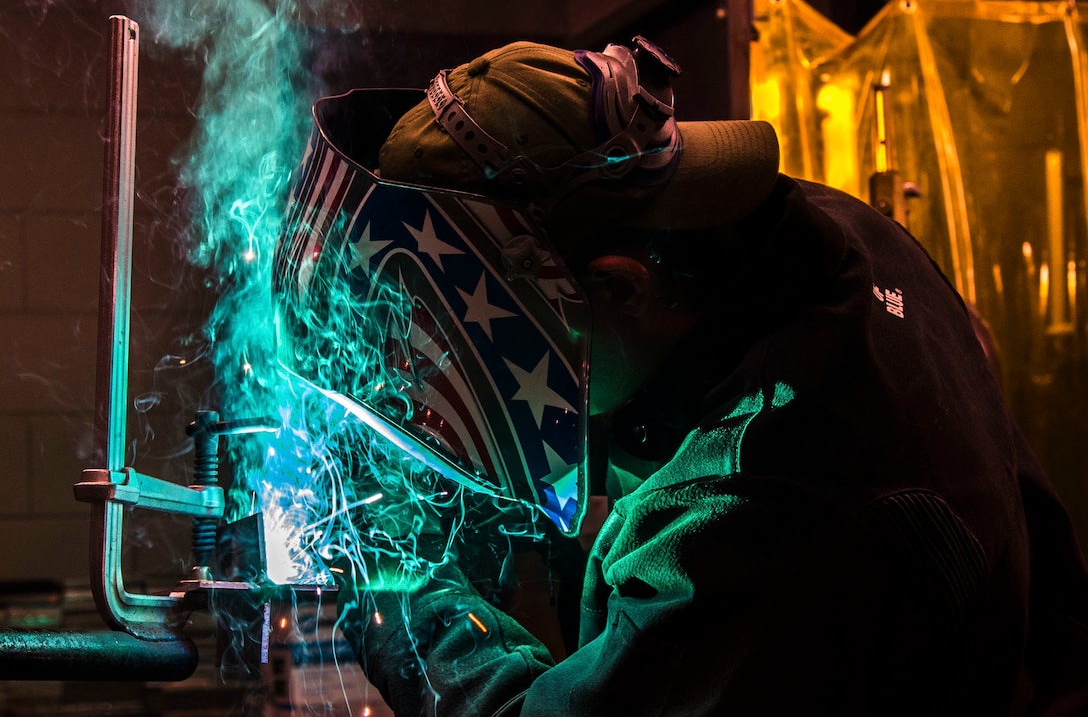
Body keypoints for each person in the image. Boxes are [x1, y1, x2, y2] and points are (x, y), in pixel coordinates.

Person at [272, 38, 1088, 715]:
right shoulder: (836, 237)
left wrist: (398, 592)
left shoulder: (753, 513)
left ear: (619, 284)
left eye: (464, 350)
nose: (442, 374)